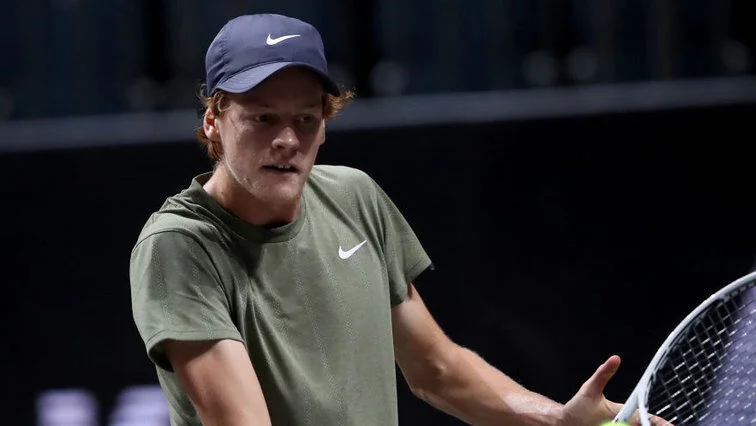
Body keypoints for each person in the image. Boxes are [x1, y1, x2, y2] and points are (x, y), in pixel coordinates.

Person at [129, 13, 627, 426]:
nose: (287, 140)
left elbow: (437, 370)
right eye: (262, 118)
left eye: (306, 119)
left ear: (324, 127)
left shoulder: (355, 197)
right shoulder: (178, 246)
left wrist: (557, 419)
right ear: (213, 121)